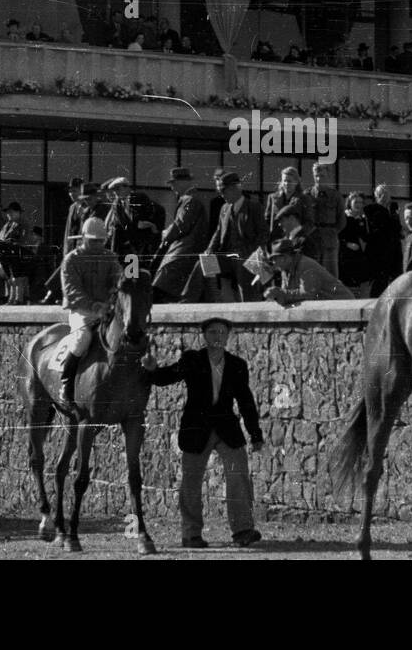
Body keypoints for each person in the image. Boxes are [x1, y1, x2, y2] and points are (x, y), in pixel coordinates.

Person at [142, 317, 264, 548]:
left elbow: (246, 401)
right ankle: (191, 534)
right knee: (191, 482)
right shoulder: (192, 359)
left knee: (238, 475)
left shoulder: (237, 364)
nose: (217, 337)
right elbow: (167, 377)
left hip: (227, 428)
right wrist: (151, 370)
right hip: (196, 428)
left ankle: (243, 530)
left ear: (227, 337)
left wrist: (255, 434)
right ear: (204, 336)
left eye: (221, 333)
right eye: (212, 332)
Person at [57, 217, 123, 419]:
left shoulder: (111, 257)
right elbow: (72, 291)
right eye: (93, 241)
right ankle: (66, 386)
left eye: (101, 241)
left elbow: (119, 279)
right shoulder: (71, 259)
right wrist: (95, 306)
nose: (97, 245)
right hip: (81, 311)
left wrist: (114, 293)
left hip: (106, 309)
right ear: (83, 238)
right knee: (82, 339)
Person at [195, 172, 268, 302]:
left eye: (224, 191)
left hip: (248, 257)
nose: (221, 195)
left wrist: (248, 252)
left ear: (236, 188)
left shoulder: (253, 207)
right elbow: (218, 232)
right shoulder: (224, 208)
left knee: (243, 274)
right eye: (220, 191)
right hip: (227, 256)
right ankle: (210, 301)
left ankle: (247, 308)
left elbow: (263, 235)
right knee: (203, 262)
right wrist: (209, 250)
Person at [153, 168, 210, 303]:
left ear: (183, 182)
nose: (171, 187)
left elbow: (181, 224)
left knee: (160, 286)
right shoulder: (191, 198)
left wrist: (165, 234)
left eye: (173, 183)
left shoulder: (190, 199)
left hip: (184, 251)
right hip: (186, 251)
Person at [264, 237, 354, 305]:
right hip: (328, 307)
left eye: (275, 258)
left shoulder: (305, 266)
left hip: (343, 304)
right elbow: (288, 295)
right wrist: (275, 295)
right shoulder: (285, 269)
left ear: (285, 257)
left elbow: (308, 294)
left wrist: (281, 293)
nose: (273, 262)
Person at [308, 162, 341, 279]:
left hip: (329, 240)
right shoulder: (307, 195)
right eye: (316, 175)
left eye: (322, 176)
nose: (318, 178)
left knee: (331, 274)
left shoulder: (335, 196)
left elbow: (341, 220)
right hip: (311, 239)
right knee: (312, 273)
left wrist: (332, 232)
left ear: (328, 176)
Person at [266, 166, 313, 241]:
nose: (286, 183)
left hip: (295, 240)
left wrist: (298, 237)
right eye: (284, 181)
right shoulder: (272, 198)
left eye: (289, 181)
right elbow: (267, 220)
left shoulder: (304, 199)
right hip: (276, 241)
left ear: (296, 182)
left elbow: (309, 223)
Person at [338, 192, 370, 293]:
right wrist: (347, 244)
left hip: (359, 257)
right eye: (356, 202)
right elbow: (337, 236)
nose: (359, 205)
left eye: (361, 202)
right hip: (347, 256)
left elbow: (365, 236)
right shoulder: (344, 217)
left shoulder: (363, 219)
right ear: (350, 203)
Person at [0, 201, 27, 304]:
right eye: (8, 212)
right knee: (10, 277)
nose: (9, 214)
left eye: (12, 212)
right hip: (8, 254)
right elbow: (1, 237)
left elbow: (24, 239)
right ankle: (12, 297)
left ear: (18, 212)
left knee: (17, 277)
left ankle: (18, 298)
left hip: (19, 253)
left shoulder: (22, 224)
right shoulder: (8, 225)